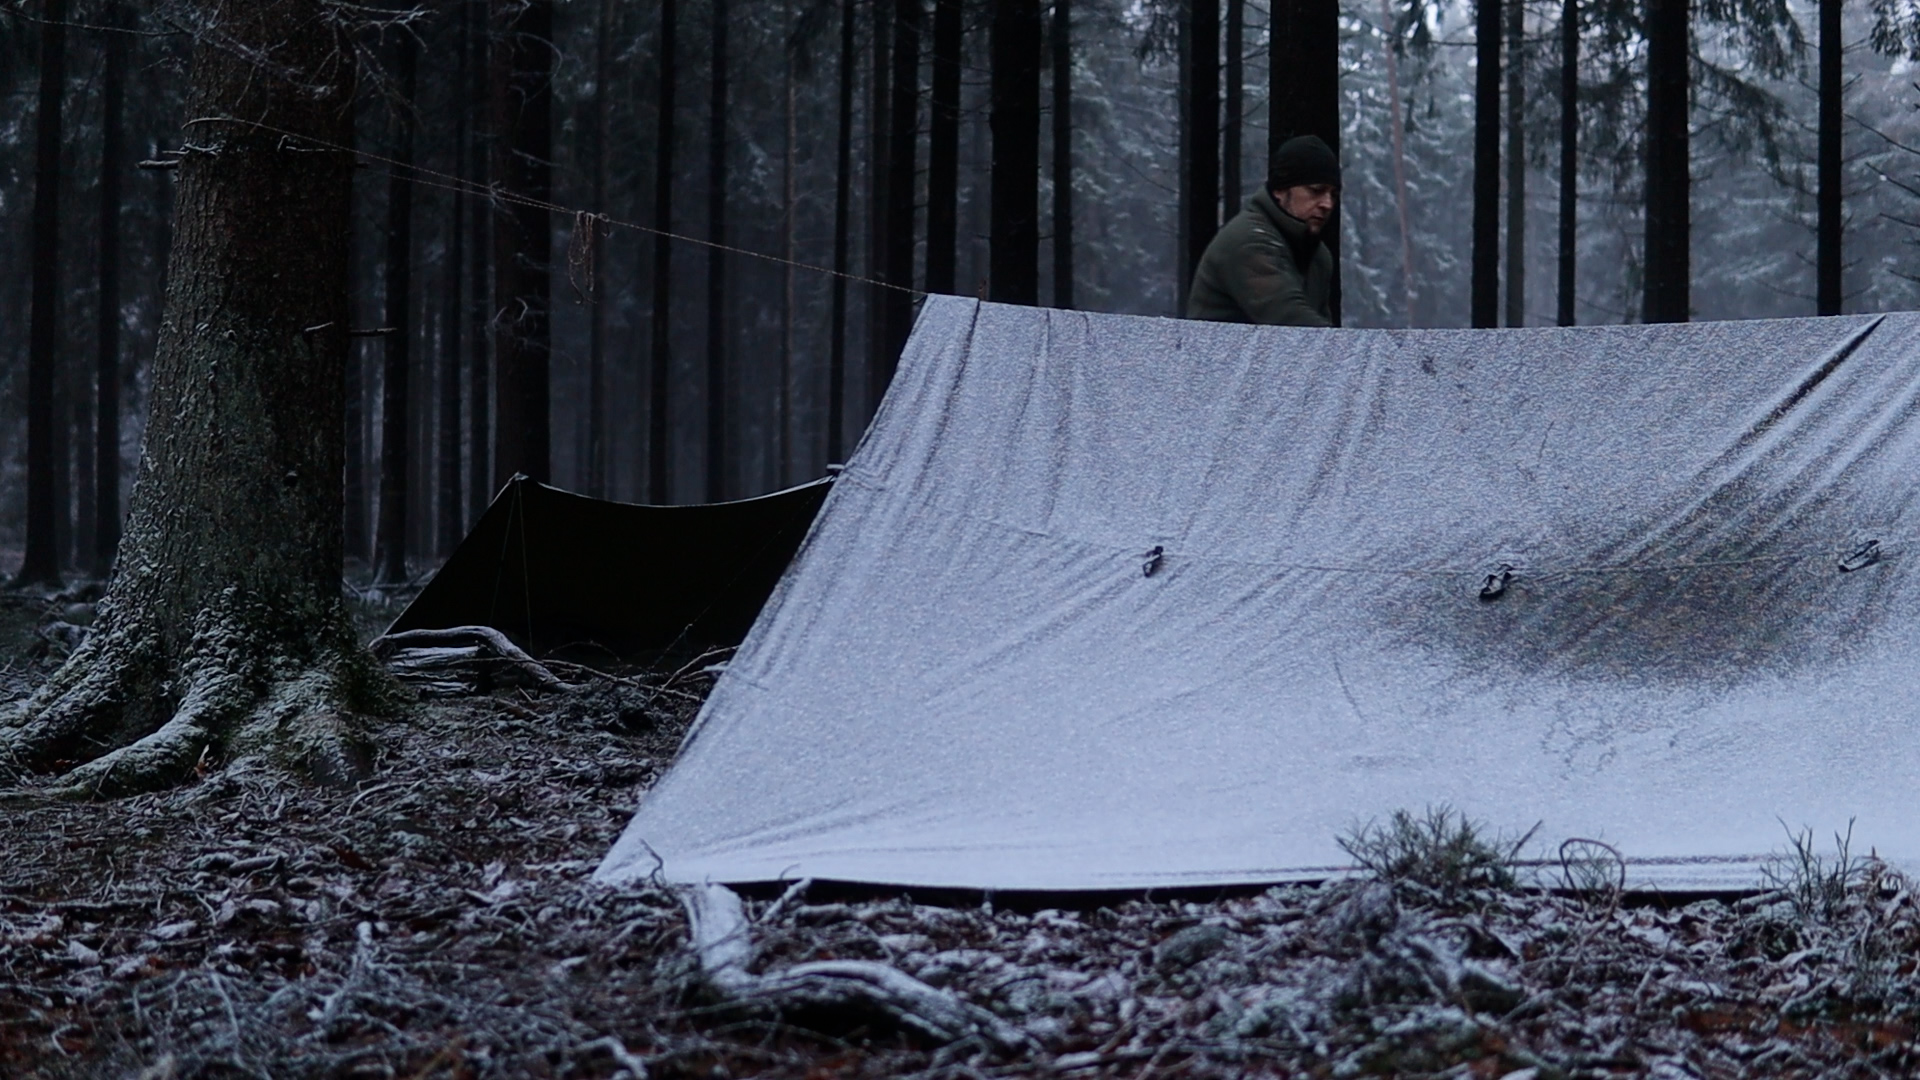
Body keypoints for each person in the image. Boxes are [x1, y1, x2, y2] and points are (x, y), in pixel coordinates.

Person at [1186, 135, 1339, 327]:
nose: (1328, 204)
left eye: (1333, 194)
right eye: (1316, 190)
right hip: (1216, 355)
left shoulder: (1318, 256)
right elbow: (1291, 320)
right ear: (1280, 190)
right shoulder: (1248, 241)